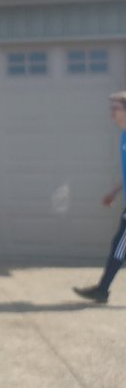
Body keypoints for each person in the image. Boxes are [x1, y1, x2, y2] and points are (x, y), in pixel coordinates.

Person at [74, 92, 126, 303]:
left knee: (119, 246)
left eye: (116, 108)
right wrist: (114, 191)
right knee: (118, 246)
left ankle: (102, 290)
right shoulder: (123, 136)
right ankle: (102, 289)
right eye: (111, 108)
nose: (111, 113)